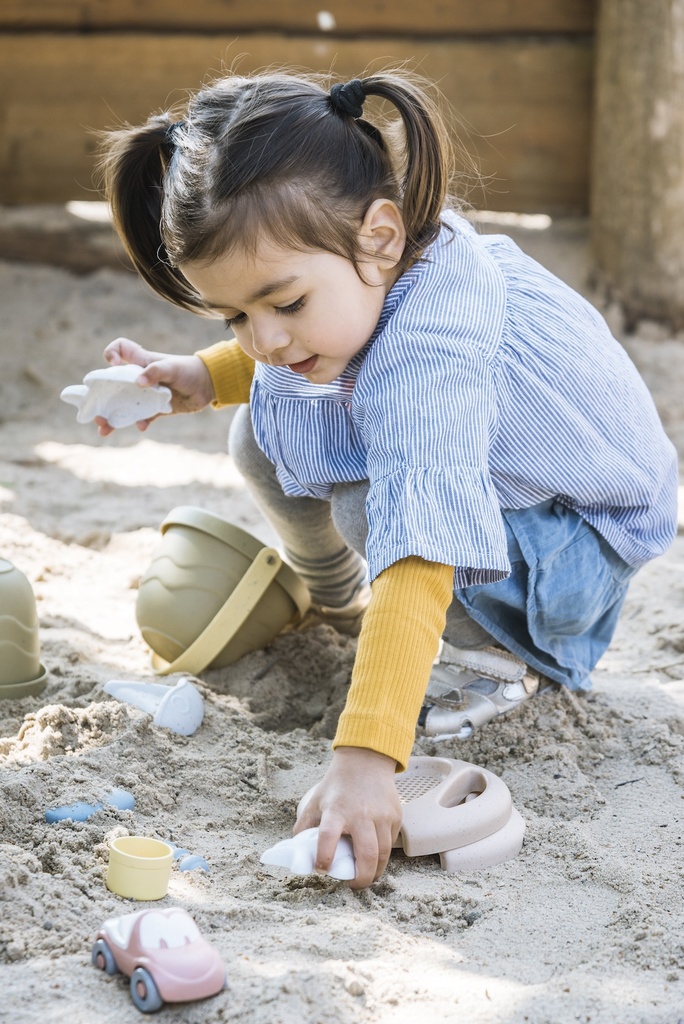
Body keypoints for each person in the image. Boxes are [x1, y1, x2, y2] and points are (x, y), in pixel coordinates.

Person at [95, 69, 678, 889]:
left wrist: (368, 755)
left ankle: (499, 664)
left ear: (380, 235)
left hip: (578, 548)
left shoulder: (432, 353)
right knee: (264, 416)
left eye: (284, 303)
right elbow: (298, 343)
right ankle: (338, 600)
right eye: (235, 315)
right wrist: (201, 372)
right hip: (525, 499)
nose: (261, 336)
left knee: (380, 507)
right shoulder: (370, 266)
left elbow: (421, 540)